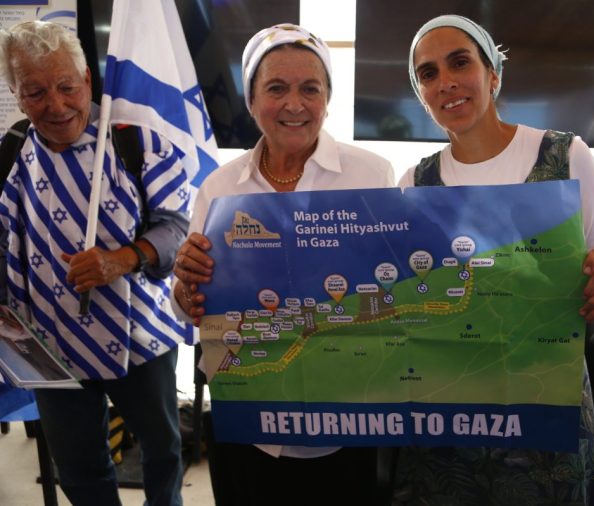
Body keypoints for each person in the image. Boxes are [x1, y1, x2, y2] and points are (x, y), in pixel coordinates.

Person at [392, 15, 594, 505]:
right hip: (449, 422)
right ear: (421, 94)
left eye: (460, 62)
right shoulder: (414, 184)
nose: (446, 82)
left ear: (493, 73)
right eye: (428, 74)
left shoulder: (564, 156)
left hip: (546, 410)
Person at [171, 24, 394, 505]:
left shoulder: (372, 175)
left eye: (309, 89)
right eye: (276, 88)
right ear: (251, 102)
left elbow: (395, 285)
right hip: (249, 418)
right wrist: (184, 289)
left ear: (327, 100)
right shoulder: (220, 188)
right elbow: (191, 303)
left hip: (346, 421)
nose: (294, 104)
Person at [0, 21, 191, 506]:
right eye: (36, 91)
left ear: (87, 80)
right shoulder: (10, 154)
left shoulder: (137, 142)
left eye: (67, 86)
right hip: (50, 343)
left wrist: (123, 259)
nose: (56, 105)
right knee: (78, 468)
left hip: (141, 339)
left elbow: (175, 228)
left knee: (164, 451)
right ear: (17, 95)